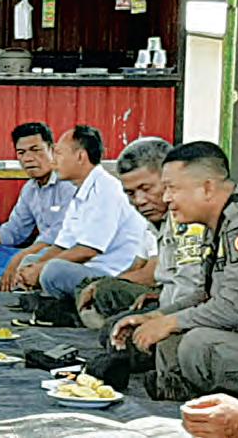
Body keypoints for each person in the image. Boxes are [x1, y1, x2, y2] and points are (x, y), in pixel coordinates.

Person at [112, 142, 238, 401]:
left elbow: (237, 306)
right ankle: (185, 392)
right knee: (166, 342)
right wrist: (156, 317)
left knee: (199, 345)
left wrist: (171, 322)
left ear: (207, 187)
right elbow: (205, 295)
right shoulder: (219, 223)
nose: (166, 198)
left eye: (172, 188)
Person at [77, 138, 204, 325]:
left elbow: (189, 288)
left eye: (146, 189)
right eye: (130, 193)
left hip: (186, 311)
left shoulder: (188, 216)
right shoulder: (154, 221)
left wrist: (162, 317)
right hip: (167, 300)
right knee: (90, 285)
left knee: (108, 303)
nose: (139, 201)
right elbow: (138, 265)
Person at [15, 126, 147, 300]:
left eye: (59, 153)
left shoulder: (105, 188)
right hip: (85, 269)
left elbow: (88, 250)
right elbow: (62, 245)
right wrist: (34, 267)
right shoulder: (79, 191)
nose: (53, 161)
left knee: (53, 271)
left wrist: (41, 268)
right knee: (30, 261)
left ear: (80, 156)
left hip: (112, 275)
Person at [0, 122, 76, 287]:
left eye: (35, 150)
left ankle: (7, 278)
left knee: (39, 260)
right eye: (21, 152)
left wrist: (19, 258)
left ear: (52, 150)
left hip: (64, 252)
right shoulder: (30, 189)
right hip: (36, 252)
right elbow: (15, 231)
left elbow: (58, 237)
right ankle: (18, 278)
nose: (28, 158)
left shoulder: (68, 183)